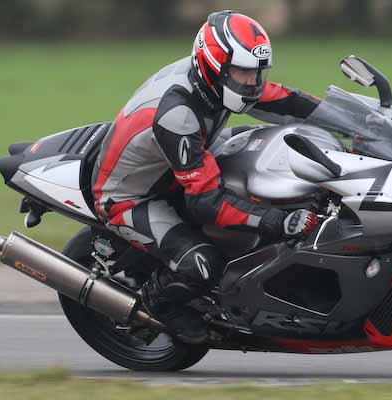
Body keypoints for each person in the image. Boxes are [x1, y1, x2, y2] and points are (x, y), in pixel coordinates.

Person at [91, 10, 320, 343]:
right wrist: (279, 221)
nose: (252, 82)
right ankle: (157, 305)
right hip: (129, 196)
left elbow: (288, 101)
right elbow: (205, 202)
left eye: (257, 72)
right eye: (243, 72)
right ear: (215, 66)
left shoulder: (215, 82)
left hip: (173, 166)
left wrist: (357, 121)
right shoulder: (178, 115)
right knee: (203, 264)